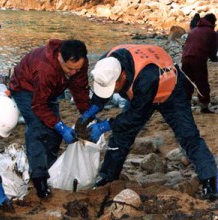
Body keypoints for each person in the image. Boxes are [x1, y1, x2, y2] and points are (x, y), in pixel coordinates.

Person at [76, 44, 218, 200]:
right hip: (141, 94)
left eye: (114, 88)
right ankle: (108, 176)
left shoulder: (146, 77)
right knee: (121, 136)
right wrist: (93, 109)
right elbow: (103, 89)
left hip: (171, 92)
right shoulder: (106, 64)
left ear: (122, 76)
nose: (113, 92)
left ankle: (210, 181)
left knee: (188, 136)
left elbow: (135, 116)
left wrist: (103, 126)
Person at [9, 39, 90, 199]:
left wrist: (87, 114)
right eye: (69, 68)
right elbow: (38, 105)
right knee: (37, 127)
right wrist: (60, 126)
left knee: (54, 133)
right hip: (24, 88)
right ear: (60, 57)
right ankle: (39, 177)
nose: (73, 72)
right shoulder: (45, 68)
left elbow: (79, 89)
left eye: (77, 69)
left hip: (50, 90)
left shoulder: (79, 63)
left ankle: (50, 166)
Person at [182, 13, 218, 113]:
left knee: (187, 82)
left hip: (185, 58)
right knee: (201, 82)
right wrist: (214, 58)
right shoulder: (211, 32)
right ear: (213, 22)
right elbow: (213, 49)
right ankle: (204, 106)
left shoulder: (193, 30)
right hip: (198, 58)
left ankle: (185, 105)